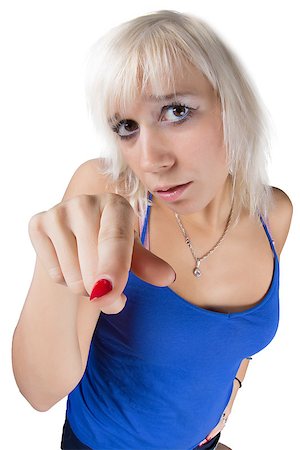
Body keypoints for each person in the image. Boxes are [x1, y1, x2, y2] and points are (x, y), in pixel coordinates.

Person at [12, 9, 293, 450]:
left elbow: (236, 343)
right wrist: (58, 274)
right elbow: (40, 392)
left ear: (232, 106)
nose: (150, 160)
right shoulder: (110, 197)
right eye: (127, 127)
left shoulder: (273, 212)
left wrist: (226, 407)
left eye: (177, 111)